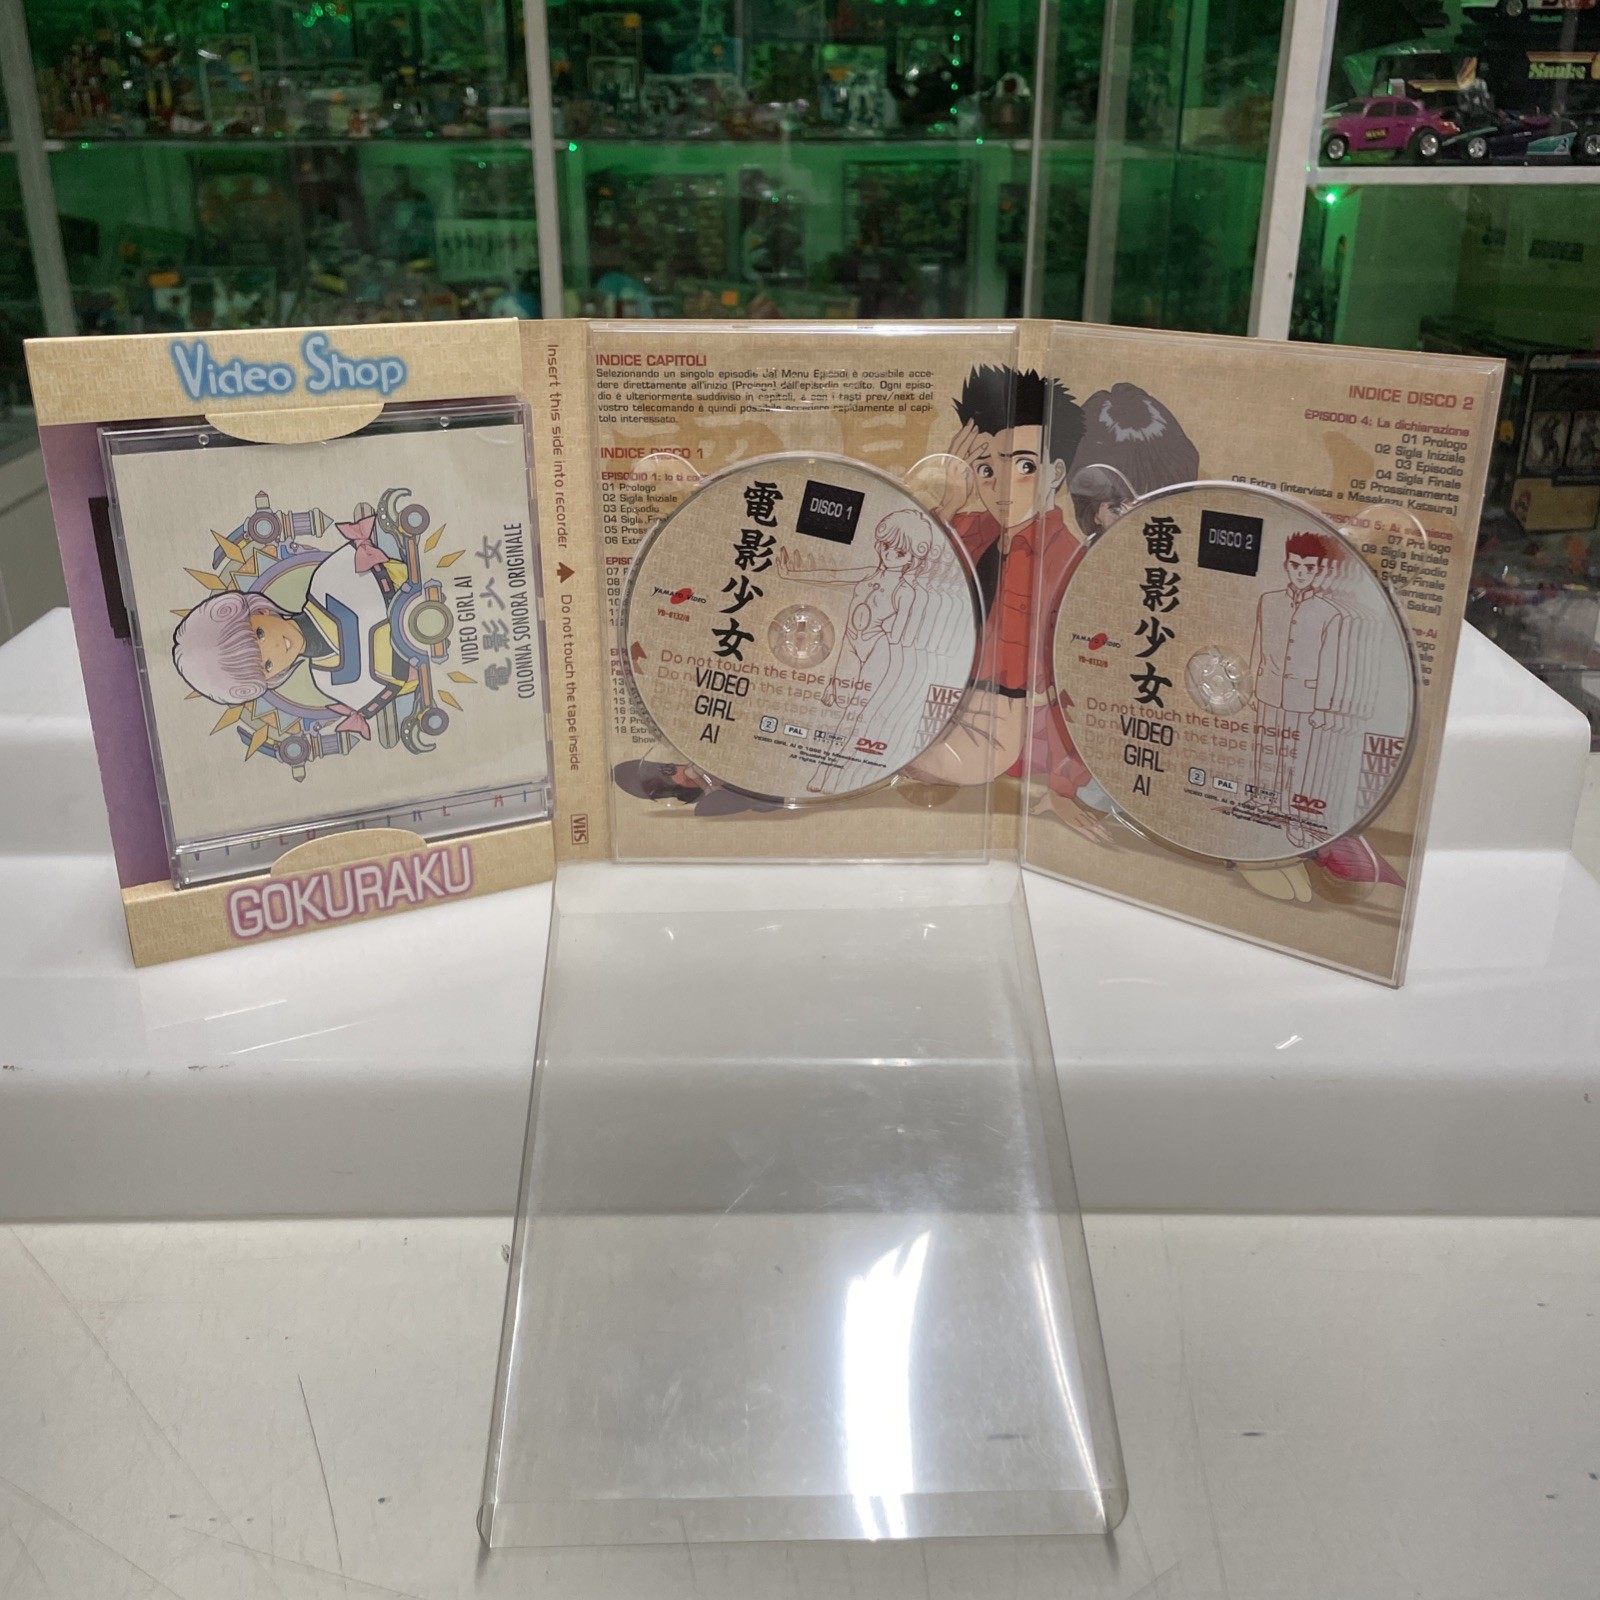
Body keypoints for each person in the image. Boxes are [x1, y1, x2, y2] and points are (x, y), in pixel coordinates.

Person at [899, 364, 1085, 787]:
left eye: (1025, 467)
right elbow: (898, 573)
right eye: (985, 470)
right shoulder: (967, 528)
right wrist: (949, 501)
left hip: (999, 716)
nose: (1002, 488)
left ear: (1056, 473)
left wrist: (1064, 781)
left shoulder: (1065, 557)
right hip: (929, 692)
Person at [172, 507, 415, 740]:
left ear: (261, 611)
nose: (277, 648)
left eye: (260, 634)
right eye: (267, 665)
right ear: (270, 678)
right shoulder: (330, 683)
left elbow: (406, 574)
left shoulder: (327, 582)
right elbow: (411, 682)